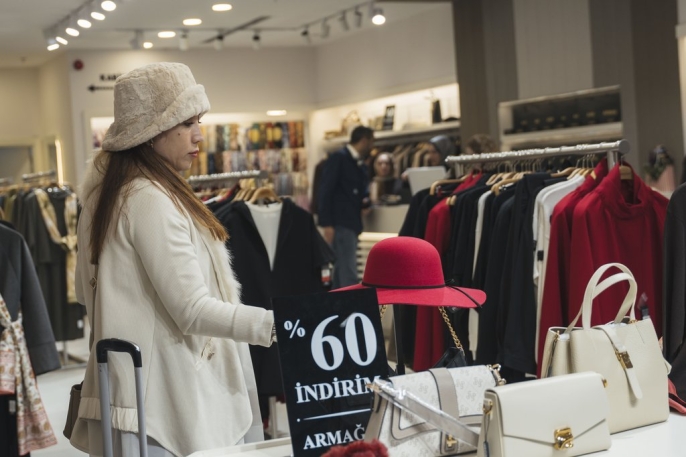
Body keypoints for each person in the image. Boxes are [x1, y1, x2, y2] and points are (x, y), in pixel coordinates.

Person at [70, 63, 275, 457]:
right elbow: (192, 310)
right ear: (151, 132)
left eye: (198, 121)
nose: (198, 135)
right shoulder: (150, 199)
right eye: (185, 122)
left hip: (132, 393)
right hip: (170, 401)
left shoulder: (102, 198)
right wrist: (275, 324)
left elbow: (84, 292)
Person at [318, 126, 374, 288]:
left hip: (350, 222)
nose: (372, 146)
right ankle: (349, 302)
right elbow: (326, 190)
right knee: (346, 270)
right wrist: (327, 224)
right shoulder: (339, 159)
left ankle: (341, 301)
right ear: (364, 140)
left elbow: (358, 190)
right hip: (341, 222)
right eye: (371, 141)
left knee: (342, 270)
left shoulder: (357, 162)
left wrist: (364, 202)